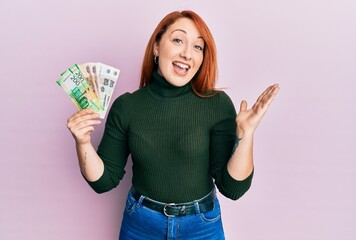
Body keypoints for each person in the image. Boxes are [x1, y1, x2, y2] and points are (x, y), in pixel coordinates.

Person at [67, 10, 279, 240]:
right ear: (157, 47)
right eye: (178, 40)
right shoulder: (127, 106)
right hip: (140, 224)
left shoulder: (217, 105)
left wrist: (245, 135)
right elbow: (104, 181)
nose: (188, 53)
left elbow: (233, 188)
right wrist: (83, 142)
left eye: (198, 47)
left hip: (201, 226)